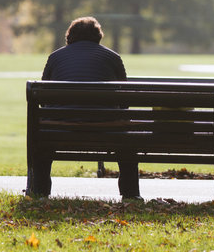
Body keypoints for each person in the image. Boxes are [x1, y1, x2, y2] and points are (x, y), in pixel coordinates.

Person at [36, 16, 141, 200]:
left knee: (41, 139)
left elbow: (44, 99)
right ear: (98, 36)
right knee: (127, 142)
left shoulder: (55, 57)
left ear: (70, 36)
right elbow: (124, 102)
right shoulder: (112, 57)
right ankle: (131, 193)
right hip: (106, 129)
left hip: (61, 128)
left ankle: (39, 190)